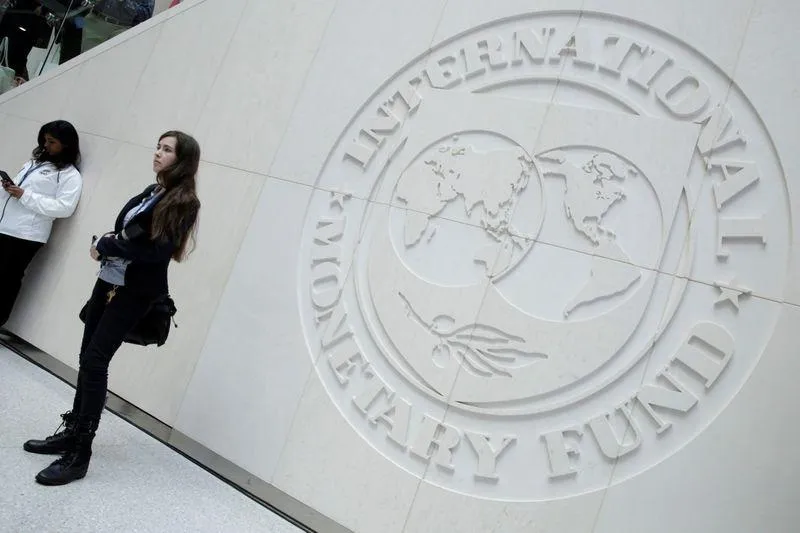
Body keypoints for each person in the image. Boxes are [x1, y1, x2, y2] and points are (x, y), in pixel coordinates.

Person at [23, 130, 201, 486]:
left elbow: (157, 252)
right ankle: (72, 431)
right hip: (108, 282)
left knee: (95, 361)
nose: (158, 153)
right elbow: (127, 232)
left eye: (167, 150)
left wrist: (108, 245)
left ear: (182, 161)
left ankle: (80, 453)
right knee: (86, 355)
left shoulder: (184, 201)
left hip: (135, 292)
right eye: (158, 146)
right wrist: (108, 244)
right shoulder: (153, 191)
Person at [0, 120, 82, 327]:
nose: (46, 145)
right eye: (45, 140)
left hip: (25, 235)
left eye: (52, 142)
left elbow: (64, 207)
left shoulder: (69, 175)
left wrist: (24, 195)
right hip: (4, 226)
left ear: (66, 144)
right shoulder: (34, 163)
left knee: (7, 279)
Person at [81, 0, 154, 53]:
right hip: (96, 23)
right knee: (86, 61)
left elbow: (146, 14)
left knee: (113, 63)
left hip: (122, 29)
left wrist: (126, 3)